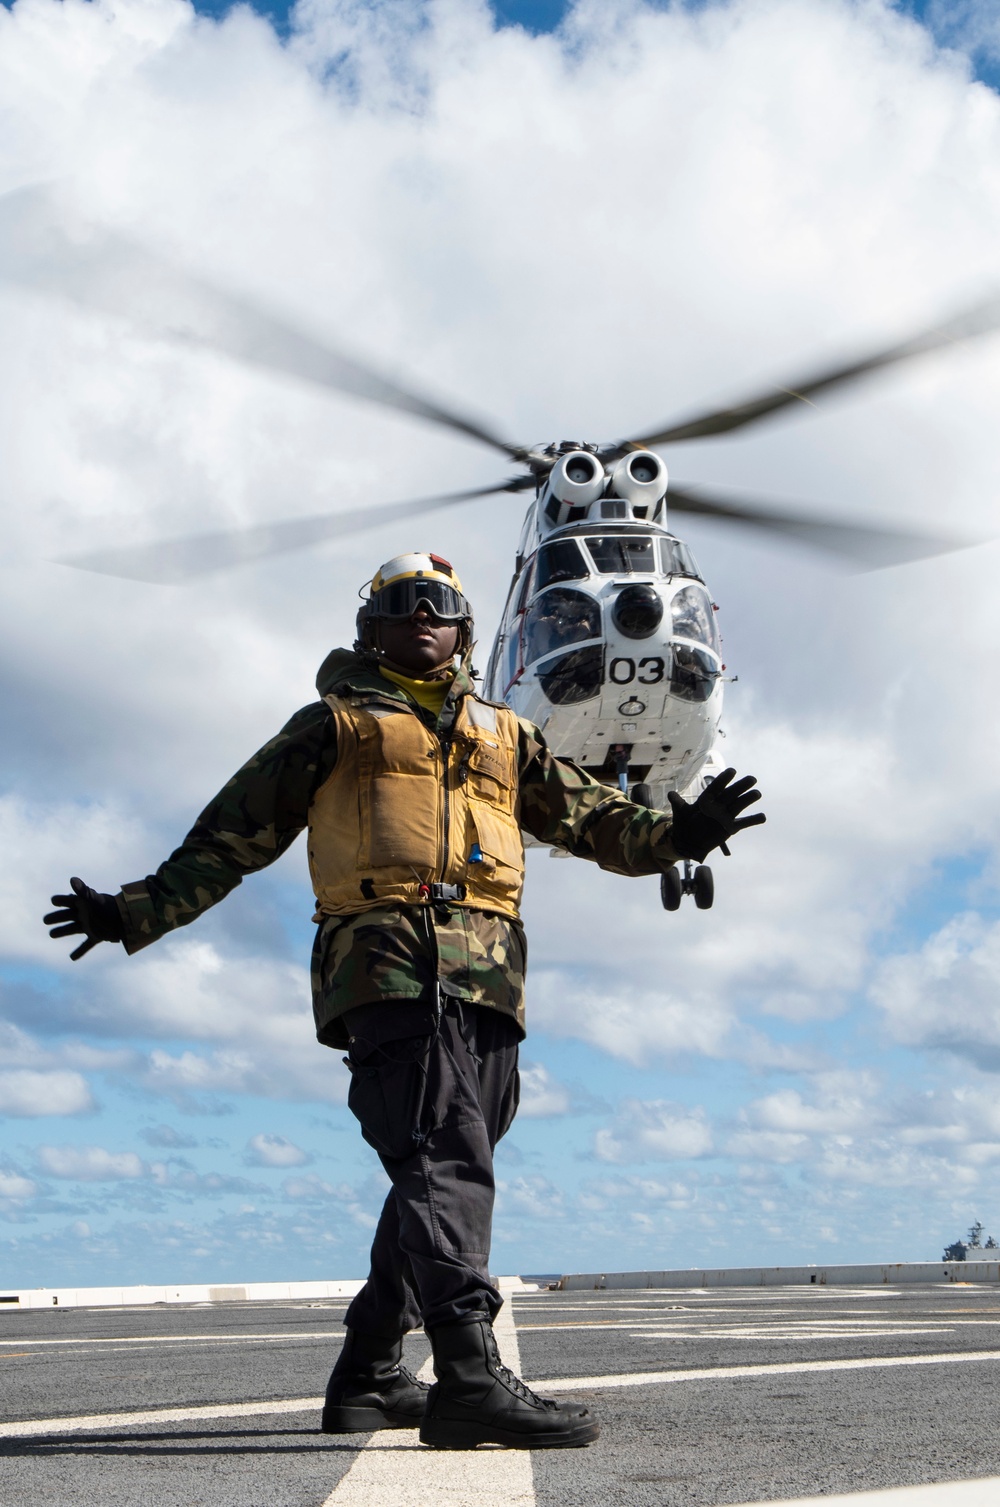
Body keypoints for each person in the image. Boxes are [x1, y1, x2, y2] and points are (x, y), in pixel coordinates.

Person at [44, 551, 765, 1451]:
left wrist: (677, 833)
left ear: (465, 630)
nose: (420, 614)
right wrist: (134, 910)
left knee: (435, 1169)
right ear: (370, 628)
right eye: (400, 604)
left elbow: (590, 819)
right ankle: (467, 1378)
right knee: (444, 1154)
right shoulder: (333, 726)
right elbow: (231, 834)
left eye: (439, 605)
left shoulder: (504, 733)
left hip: (491, 975)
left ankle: (370, 1371)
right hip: (384, 959)